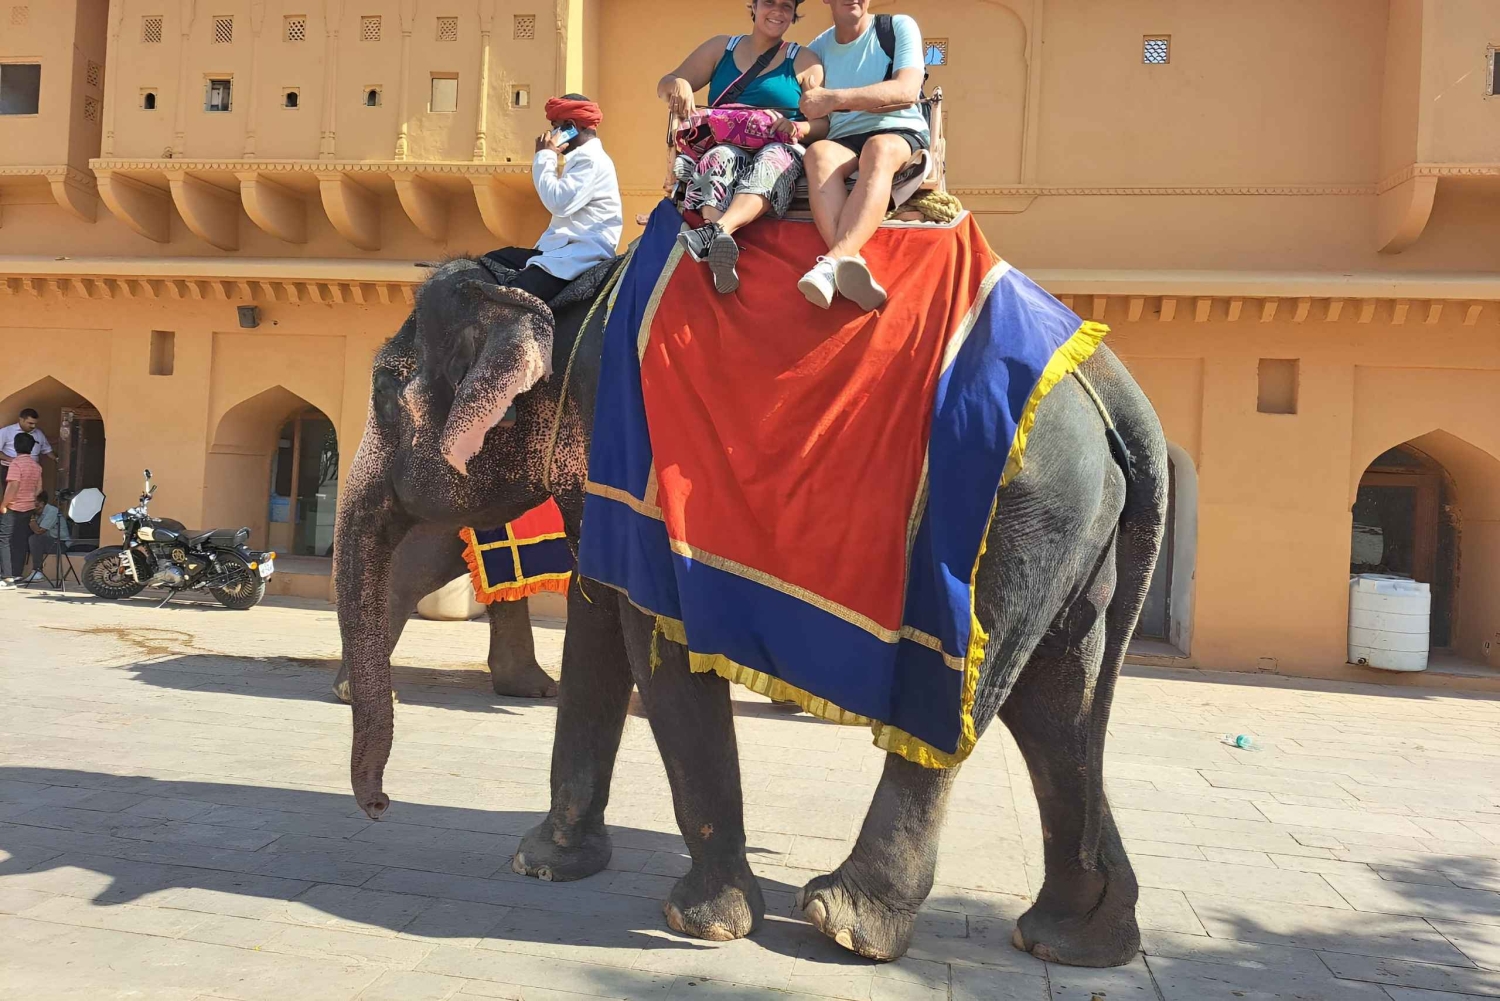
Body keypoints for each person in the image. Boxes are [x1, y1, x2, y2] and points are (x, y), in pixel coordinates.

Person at [658, 0, 826, 294]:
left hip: (780, 145)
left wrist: (797, 127)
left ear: (794, 13)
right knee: (717, 157)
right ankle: (718, 242)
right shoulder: (720, 48)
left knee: (772, 160)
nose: (777, 12)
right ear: (754, 5)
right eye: (770, 3)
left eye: (786, 6)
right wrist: (680, 85)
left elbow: (823, 122)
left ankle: (717, 232)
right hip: (725, 145)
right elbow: (665, 83)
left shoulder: (804, 60)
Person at [796, 1, 931, 311]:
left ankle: (831, 261)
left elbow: (906, 90)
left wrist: (834, 99)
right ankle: (848, 263)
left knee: (878, 148)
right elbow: (812, 107)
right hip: (843, 138)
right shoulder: (816, 50)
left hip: (899, 131)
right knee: (817, 154)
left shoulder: (897, 27)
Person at [484, 94, 623, 304]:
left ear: (570, 126)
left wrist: (545, 156)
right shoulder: (579, 159)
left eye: (555, 127)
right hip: (557, 251)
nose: (552, 134)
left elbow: (559, 203)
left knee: (512, 300)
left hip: (579, 255)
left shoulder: (591, 160)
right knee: (490, 262)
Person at [0, 431, 42, 587]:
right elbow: (39, 490)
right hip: (28, 507)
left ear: (16, 447)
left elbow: (13, 486)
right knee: (19, 540)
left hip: (13, 506)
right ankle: (17, 574)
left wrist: (4, 504)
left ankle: (6, 577)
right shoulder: (36, 466)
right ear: (31, 448)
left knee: (4, 539)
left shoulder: (15, 464)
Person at [23, 490, 68, 585]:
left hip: (60, 544)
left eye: (32, 503)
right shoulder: (37, 513)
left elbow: (39, 531)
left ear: (41, 503)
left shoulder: (52, 511)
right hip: (47, 542)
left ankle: (37, 571)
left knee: (35, 538)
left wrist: (31, 519)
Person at [0, 408, 52, 488]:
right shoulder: (6, 431)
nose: (33, 426)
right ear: (21, 419)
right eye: (30, 423)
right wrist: (10, 459)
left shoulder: (38, 433)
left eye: (35, 424)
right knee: (12, 495)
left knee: (30, 495)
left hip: (32, 470)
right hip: (11, 468)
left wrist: (57, 459)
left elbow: (47, 450)